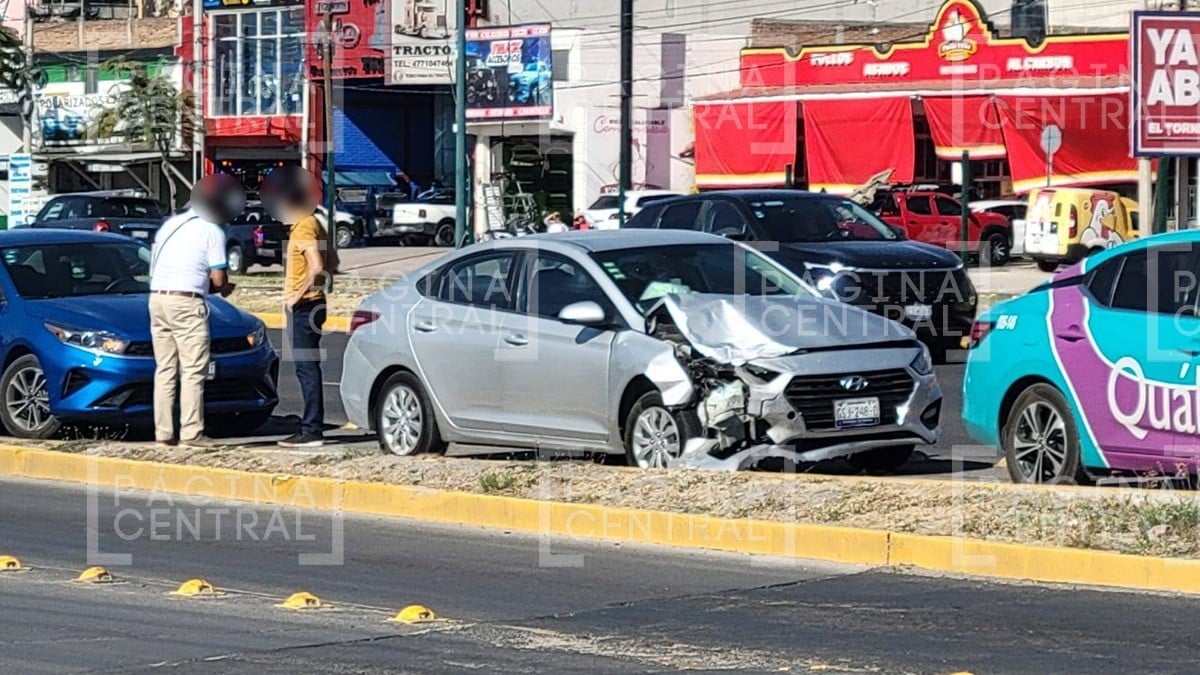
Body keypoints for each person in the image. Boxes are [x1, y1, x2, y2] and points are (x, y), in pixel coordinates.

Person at [150, 175, 242, 448]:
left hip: (157, 298)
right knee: (192, 369)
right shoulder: (211, 230)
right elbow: (218, 278)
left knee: (165, 368)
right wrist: (225, 287)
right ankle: (191, 432)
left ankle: (163, 432)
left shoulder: (170, 225)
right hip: (186, 301)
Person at [264, 168, 328, 448]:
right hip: (313, 304)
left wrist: (296, 297)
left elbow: (318, 268)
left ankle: (311, 428)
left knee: (306, 369)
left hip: (306, 306)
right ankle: (312, 425)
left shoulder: (303, 227)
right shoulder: (313, 223)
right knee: (308, 367)